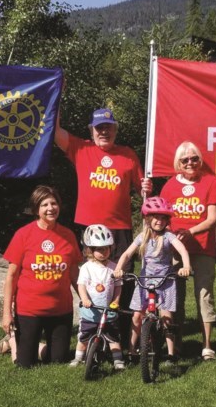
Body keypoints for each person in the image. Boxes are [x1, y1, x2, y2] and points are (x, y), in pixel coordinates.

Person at [55, 107, 153, 344]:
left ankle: (121, 334)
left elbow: (142, 193)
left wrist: (146, 190)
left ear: (115, 130)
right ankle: (90, 333)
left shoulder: (128, 154)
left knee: (123, 279)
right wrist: (57, 94)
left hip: (119, 229)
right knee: (91, 279)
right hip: (89, 227)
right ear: (92, 130)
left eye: (108, 128)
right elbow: (55, 130)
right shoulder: (82, 148)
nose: (104, 132)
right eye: (99, 128)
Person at [159, 141, 216, 361]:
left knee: (204, 294)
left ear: (200, 160)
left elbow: (212, 219)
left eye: (194, 158)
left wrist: (189, 231)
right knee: (173, 297)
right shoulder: (169, 185)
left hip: (202, 248)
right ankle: (175, 345)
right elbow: (162, 217)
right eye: (185, 160)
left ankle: (206, 345)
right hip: (175, 250)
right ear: (178, 163)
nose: (190, 163)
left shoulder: (211, 182)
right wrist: (170, 235)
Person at [1, 185, 82, 368]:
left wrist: (87, 299)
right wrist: (7, 314)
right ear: (36, 209)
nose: (50, 208)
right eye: (44, 204)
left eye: (54, 203)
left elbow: (73, 273)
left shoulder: (68, 235)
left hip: (60, 310)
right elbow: (11, 276)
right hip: (29, 310)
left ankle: (35, 346)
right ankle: (12, 342)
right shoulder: (23, 234)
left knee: (58, 360)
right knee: (24, 364)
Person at [113, 197, 192, 364]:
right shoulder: (143, 236)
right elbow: (127, 254)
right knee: (137, 315)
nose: (160, 221)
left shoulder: (169, 236)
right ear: (148, 218)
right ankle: (132, 349)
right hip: (145, 280)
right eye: (156, 217)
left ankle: (171, 354)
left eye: (164, 218)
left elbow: (182, 249)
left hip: (165, 280)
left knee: (167, 317)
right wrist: (118, 268)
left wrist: (185, 266)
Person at [68, 224, 125, 371]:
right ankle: (78, 357)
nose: (103, 252)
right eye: (99, 249)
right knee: (84, 338)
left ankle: (118, 360)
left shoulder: (114, 267)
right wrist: (85, 299)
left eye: (106, 248)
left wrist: (116, 300)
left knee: (113, 338)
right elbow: (81, 285)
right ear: (90, 250)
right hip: (91, 312)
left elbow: (118, 286)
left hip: (109, 311)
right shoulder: (87, 267)